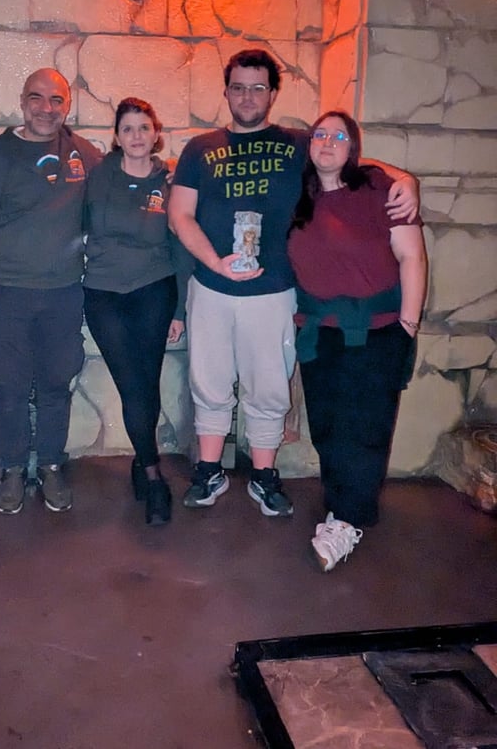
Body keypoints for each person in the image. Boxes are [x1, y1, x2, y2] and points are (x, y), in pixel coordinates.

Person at [168, 48, 419, 517]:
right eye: (238, 87)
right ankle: (209, 470)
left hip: (275, 290)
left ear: (272, 94)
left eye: (257, 87)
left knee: (268, 388)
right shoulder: (199, 149)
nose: (247, 96)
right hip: (211, 285)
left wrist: (406, 178)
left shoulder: (299, 143)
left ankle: (264, 475)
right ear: (226, 92)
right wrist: (216, 263)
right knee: (208, 382)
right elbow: (179, 215)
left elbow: (350, 158)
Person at [0, 68, 102, 514]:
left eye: (56, 100)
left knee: (57, 384)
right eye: (37, 98)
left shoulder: (83, 154)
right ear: (22, 102)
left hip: (63, 293)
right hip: (7, 294)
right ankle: (13, 469)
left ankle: (52, 465)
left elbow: (117, 184)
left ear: (67, 105)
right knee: (11, 388)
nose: (46, 108)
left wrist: (160, 173)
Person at [287, 111, 427, 570]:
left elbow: (411, 257)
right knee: (329, 426)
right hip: (319, 333)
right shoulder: (300, 195)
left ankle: (347, 520)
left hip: (376, 331)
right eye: (320, 134)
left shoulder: (379, 189)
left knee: (365, 429)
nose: (327, 142)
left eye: (339, 136)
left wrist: (407, 326)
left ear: (354, 147)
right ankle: (341, 504)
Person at [83, 97, 192, 525]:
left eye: (144, 127)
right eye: (127, 128)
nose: (136, 136)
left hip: (154, 289)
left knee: (146, 381)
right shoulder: (96, 176)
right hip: (104, 292)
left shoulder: (171, 182)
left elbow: (180, 248)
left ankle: (144, 465)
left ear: (156, 133)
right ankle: (152, 473)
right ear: (116, 136)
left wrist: (179, 309)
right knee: (132, 384)